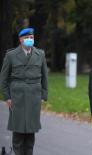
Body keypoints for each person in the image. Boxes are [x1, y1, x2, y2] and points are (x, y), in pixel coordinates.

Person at [0, 27, 48, 155]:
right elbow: (3, 79)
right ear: (21, 39)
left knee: (30, 133)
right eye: (26, 38)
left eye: (31, 38)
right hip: (17, 97)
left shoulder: (40, 54)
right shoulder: (11, 55)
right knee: (18, 132)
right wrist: (7, 97)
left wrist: (43, 96)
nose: (29, 40)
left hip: (34, 96)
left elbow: (44, 76)